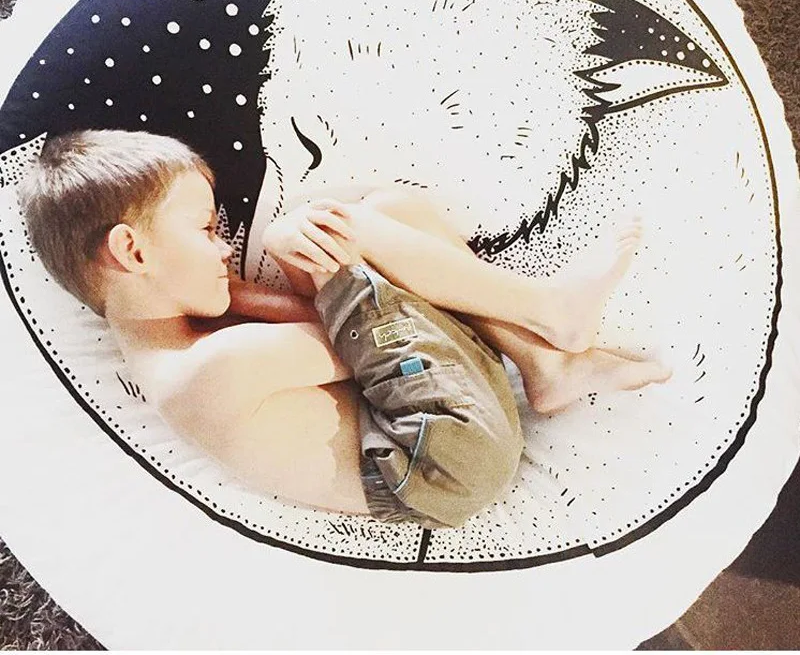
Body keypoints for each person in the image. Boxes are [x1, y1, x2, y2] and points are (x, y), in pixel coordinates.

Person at [18, 128, 671, 528]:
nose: (224, 248)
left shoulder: (180, 353)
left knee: (392, 211)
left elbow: (367, 325)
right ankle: (548, 313)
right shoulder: (209, 368)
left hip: (441, 437)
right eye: (207, 230)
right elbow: (351, 339)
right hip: (441, 456)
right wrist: (277, 271)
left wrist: (253, 287)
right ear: (133, 251)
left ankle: (544, 364)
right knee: (317, 234)